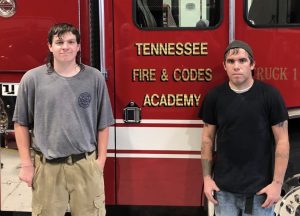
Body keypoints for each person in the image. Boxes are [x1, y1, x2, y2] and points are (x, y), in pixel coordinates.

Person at [13, 23, 114, 216]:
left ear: (78, 46)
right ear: (50, 46)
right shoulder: (32, 79)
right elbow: (21, 123)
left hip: (85, 165)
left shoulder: (94, 78)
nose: (65, 46)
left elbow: (103, 124)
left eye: (70, 42)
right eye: (59, 42)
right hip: (48, 168)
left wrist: (100, 161)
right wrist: (26, 164)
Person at [199, 40, 289, 216]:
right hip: (224, 191)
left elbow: (282, 141)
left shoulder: (270, 96)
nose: (236, 66)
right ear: (224, 66)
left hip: (261, 192)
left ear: (252, 64)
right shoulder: (214, 97)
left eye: (242, 60)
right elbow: (207, 139)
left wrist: (277, 184)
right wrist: (207, 179)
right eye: (231, 62)